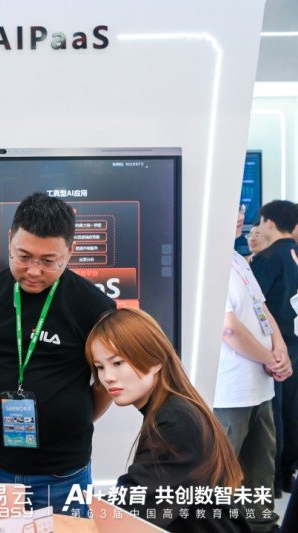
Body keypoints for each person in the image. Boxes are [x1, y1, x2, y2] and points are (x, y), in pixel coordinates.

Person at [0, 192, 116, 515]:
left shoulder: (94, 306)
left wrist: (73, 416)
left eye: (48, 261)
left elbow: (105, 383)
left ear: (70, 252)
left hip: (64, 471)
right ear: (9, 240)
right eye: (23, 256)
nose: (33, 270)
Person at [87, 308, 250, 532]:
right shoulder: (174, 409)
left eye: (117, 363)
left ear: (155, 360)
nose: (107, 377)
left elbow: (131, 508)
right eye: (99, 367)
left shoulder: (175, 421)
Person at [213, 204, 291, 532]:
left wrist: (280, 348)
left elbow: (262, 309)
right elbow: (228, 328)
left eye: (241, 208)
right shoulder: (209, 262)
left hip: (260, 387)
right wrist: (270, 358)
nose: (240, 216)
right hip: (229, 393)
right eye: (231, 207)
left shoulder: (236, 258)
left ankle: (260, 526)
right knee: (222, 482)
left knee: (260, 477)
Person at [250, 199, 298, 497]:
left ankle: (273, 479)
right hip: (294, 342)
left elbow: (256, 306)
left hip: (273, 346)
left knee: (274, 412)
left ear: (269, 222)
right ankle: (287, 474)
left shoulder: (266, 259)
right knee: (292, 409)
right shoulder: (294, 255)